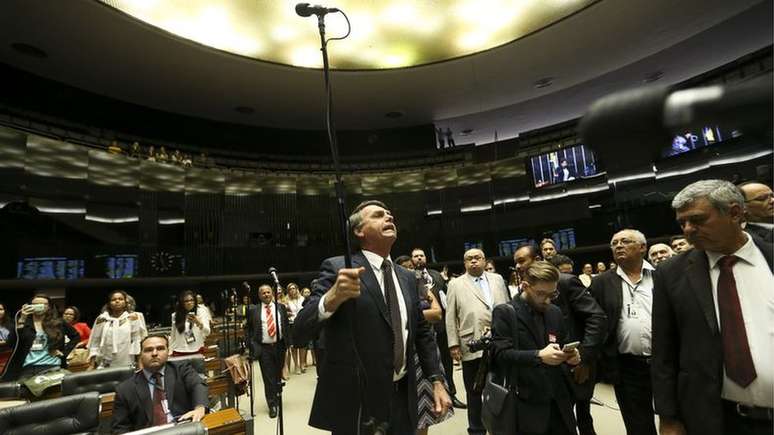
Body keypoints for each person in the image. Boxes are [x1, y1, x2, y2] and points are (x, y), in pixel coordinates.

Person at [294, 200, 451, 434]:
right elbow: (299, 331)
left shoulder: (407, 277)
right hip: (358, 404)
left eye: (390, 214)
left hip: (402, 397)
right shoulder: (339, 267)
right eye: (378, 215)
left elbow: (422, 333)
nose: (389, 217)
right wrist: (332, 297)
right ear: (358, 231)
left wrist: (436, 380)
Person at [652, 179, 774, 435]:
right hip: (717, 419)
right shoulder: (671, 274)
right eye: (682, 223)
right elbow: (664, 352)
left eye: (697, 220)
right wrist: (669, 418)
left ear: (734, 213)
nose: (688, 229)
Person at [514, 244, 607, 435]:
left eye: (522, 260)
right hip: (545, 374)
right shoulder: (523, 293)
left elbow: (596, 317)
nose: (517, 266)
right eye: (515, 262)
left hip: (574, 366)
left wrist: (584, 357)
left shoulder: (565, 282)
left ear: (538, 260)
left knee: (583, 420)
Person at [491, 261, 582, 435]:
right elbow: (501, 355)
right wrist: (538, 355)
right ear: (525, 286)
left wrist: (572, 357)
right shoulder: (505, 312)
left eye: (552, 293)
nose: (547, 299)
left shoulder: (554, 311)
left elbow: (563, 343)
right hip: (525, 403)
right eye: (541, 294)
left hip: (559, 402)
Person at [589, 229, 657, 435]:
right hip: (626, 364)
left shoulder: (662, 275)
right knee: (637, 422)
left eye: (625, 241)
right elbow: (593, 320)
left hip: (665, 361)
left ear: (642, 247)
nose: (618, 245)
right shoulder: (601, 282)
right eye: (614, 243)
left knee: (674, 417)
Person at [446, 248, 509, 435]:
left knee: (501, 388)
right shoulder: (455, 284)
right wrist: (453, 344)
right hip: (471, 343)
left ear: (484, 260)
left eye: (477, 258)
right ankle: (476, 430)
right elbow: (450, 316)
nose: (473, 261)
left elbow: (507, 307)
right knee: (474, 392)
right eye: (469, 259)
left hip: (500, 342)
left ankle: (502, 426)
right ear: (464, 263)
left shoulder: (497, 279)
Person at [111, 334, 208, 433]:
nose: (154, 353)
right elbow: (120, 428)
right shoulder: (125, 389)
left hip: (183, 430)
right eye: (148, 350)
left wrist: (200, 407)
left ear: (168, 352)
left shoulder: (181, 370)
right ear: (141, 355)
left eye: (160, 348)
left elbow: (197, 385)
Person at [411, 247, 466, 410]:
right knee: (430, 362)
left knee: (447, 362)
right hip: (422, 328)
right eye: (415, 256)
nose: (419, 258)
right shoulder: (408, 276)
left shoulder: (436, 276)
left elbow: (446, 300)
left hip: (441, 326)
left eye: (421, 255)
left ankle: (452, 394)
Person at [1, 295, 79, 381]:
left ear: (49, 307)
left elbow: (76, 336)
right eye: (35, 304)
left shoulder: (58, 323)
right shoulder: (22, 322)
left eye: (43, 304)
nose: (39, 306)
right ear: (29, 306)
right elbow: (11, 343)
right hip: (28, 367)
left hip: (52, 365)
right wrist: (22, 319)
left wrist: (64, 352)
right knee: (23, 391)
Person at [246, 284, 289, 418]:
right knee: (268, 377)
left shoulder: (280, 307)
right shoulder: (253, 310)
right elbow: (248, 329)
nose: (266, 295)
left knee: (277, 375)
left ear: (272, 293)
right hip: (264, 348)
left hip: (279, 346)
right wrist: (251, 344)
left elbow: (286, 325)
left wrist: (288, 343)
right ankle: (272, 405)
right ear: (259, 295)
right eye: (263, 293)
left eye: (268, 292)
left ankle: (277, 396)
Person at [88, 290, 147, 369]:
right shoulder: (102, 319)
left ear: (125, 302)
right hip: (105, 363)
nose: (117, 301)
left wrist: (140, 364)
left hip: (127, 362)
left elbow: (137, 341)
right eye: (113, 300)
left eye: (120, 299)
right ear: (109, 303)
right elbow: (95, 342)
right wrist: (92, 365)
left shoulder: (134, 317)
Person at [170, 290, 211, 356]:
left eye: (192, 300)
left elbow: (207, 332)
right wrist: (170, 350)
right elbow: (173, 334)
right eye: (186, 301)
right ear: (182, 302)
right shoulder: (175, 315)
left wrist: (198, 323)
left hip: (197, 349)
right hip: (179, 350)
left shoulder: (201, 312)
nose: (189, 302)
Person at [285, 282, 306, 374]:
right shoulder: (286, 300)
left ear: (297, 289)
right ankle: (296, 366)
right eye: (290, 289)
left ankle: (302, 364)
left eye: (294, 288)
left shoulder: (302, 299)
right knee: (294, 346)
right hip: (292, 324)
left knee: (302, 345)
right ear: (288, 291)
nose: (292, 290)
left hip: (302, 324)